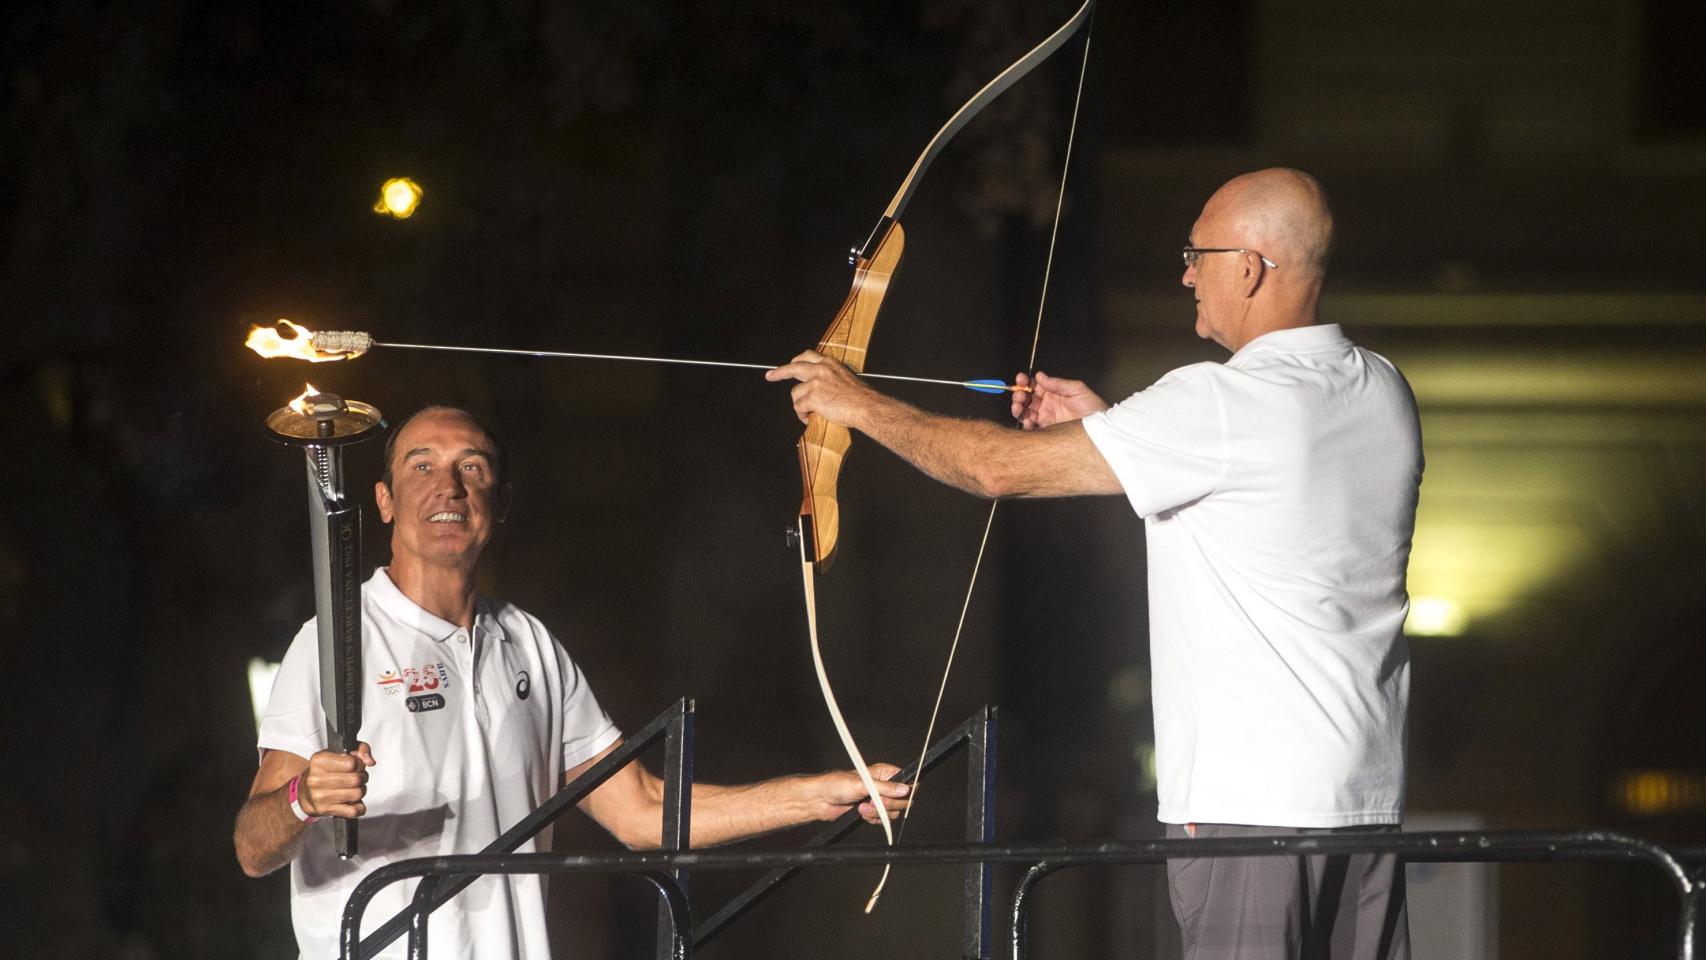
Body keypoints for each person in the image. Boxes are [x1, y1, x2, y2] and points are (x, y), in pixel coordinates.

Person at [768, 168, 1420, 960]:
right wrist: (1106, 428)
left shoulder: (1220, 401)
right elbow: (1262, 501)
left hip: (1251, 809)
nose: (1184, 273)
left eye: (1197, 253)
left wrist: (856, 403)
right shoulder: (1382, 389)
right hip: (1364, 808)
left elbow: (995, 471)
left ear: (1249, 266)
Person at [234, 406, 910, 960]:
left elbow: (644, 810)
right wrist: (302, 797)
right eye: (422, 466)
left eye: (473, 467)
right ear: (383, 501)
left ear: (498, 504)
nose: (449, 486)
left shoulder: (528, 645)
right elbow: (252, 847)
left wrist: (817, 794)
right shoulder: (335, 643)